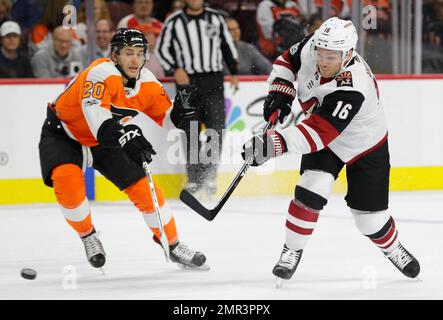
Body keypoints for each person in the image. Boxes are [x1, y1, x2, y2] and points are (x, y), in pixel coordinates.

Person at [242, 17, 420, 280]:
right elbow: (286, 63)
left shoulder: (354, 86)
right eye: (320, 54)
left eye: (331, 57)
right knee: (311, 189)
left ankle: (393, 248)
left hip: (365, 144)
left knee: (369, 220)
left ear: (347, 55)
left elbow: (318, 133)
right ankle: (291, 250)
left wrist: (271, 145)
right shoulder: (313, 46)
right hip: (326, 137)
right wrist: (280, 91)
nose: (323, 61)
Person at [38, 28, 207, 270]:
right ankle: (88, 236)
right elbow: (98, 120)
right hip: (64, 134)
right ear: (114, 55)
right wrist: (128, 137)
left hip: (108, 139)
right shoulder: (99, 73)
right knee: (68, 184)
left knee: (145, 191)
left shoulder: (147, 81)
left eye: (140, 53)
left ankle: (173, 244)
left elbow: (166, 117)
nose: (135, 59)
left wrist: (183, 115)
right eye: (129, 53)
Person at [156, 0, 239, 197]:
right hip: (187, 83)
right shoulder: (174, 21)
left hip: (213, 81)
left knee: (216, 129)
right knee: (190, 130)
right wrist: (175, 68)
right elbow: (161, 50)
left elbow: (227, 46)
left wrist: (234, 72)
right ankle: (194, 178)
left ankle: (208, 175)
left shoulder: (216, 18)